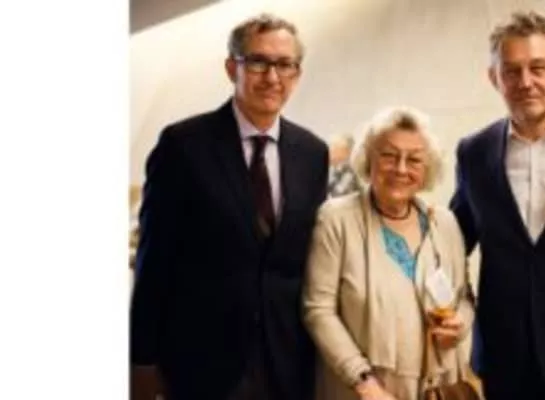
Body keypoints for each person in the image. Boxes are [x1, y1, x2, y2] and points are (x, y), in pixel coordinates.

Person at [130, 13, 329, 399]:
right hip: (201, 361)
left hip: (286, 363)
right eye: (258, 62)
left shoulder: (312, 153)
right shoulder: (183, 146)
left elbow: (308, 261)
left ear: (297, 74)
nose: (272, 77)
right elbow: (154, 260)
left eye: (284, 64)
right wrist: (142, 360)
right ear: (231, 68)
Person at [449, 10, 545, 400]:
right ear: (493, 78)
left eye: (538, 68)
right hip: (505, 355)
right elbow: (451, 243)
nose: (525, 82)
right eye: (511, 71)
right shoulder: (474, 152)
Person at [303, 106, 476, 400]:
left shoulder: (444, 223)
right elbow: (318, 309)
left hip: (436, 389)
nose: (401, 169)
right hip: (361, 390)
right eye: (389, 155)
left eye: (414, 159)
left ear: (427, 169)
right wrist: (363, 382)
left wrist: (459, 325)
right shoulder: (336, 220)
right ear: (368, 159)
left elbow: (465, 297)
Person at [327, 133, 362, 198]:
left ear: (346, 152)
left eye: (333, 149)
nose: (328, 153)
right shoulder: (337, 170)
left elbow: (338, 195)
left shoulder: (350, 171)